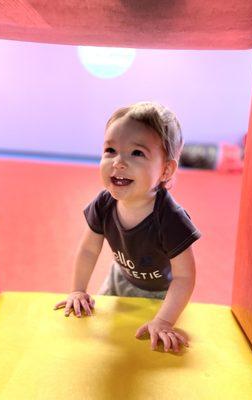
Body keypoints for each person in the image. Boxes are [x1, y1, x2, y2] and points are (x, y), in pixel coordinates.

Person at [54, 101, 201, 353]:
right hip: (119, 280)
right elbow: (89, 250)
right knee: (101, 341)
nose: (119, 162)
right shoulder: (105, 203)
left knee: (141, 349)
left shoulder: (170, 218)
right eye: (110, 150)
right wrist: (78, 290)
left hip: (160, 294)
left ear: (166, 170)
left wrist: (164, 320)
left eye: (137, 153)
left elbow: (184, 276)